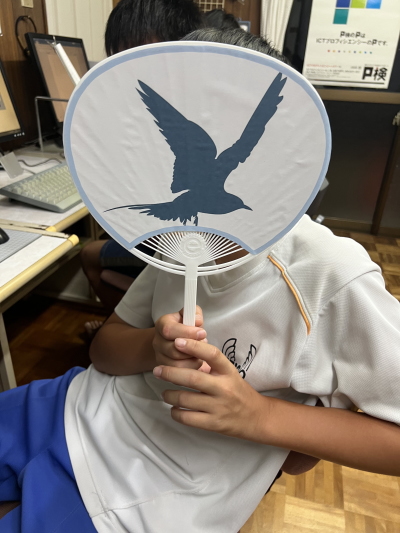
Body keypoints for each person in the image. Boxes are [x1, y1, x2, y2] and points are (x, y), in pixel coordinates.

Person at [1, 28, 400, 533]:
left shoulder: (330, 274)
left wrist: (259, 416)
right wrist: (154, 346)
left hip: (148, 497)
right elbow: (104, 352)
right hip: (72, 406)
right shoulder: (181, 240)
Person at [80, 0, 204, 334]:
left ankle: (130, 333)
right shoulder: (137, 115)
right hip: (162, 236)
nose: (131, 72)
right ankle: (128, 332)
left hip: (184, 245)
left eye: (144, 57)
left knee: (90, 254)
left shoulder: (194, 116)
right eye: (119, 61)